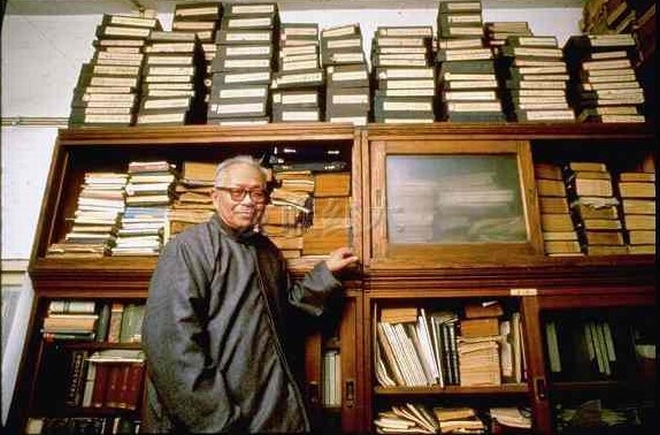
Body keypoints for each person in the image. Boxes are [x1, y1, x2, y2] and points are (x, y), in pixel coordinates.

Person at [141, 155, 359, 433]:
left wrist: (326, 273)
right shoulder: (188, 249)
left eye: (257, 193)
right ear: (214, 197)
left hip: (269, 412)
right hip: (217, 421)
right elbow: (172, 351)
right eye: (237, 192)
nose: (248, 201)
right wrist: (220, 423)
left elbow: (286, 318)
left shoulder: (267, 252)